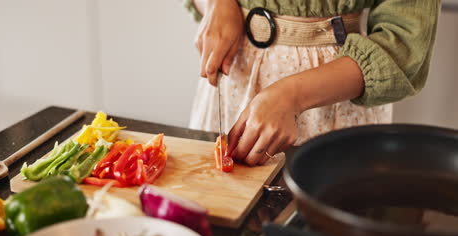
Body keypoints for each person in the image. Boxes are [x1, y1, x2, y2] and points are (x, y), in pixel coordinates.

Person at [184, 0, 440, 166]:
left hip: (335, 99)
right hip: (232, 84)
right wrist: (217, 4)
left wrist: (291, 96)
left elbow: (404, 45)